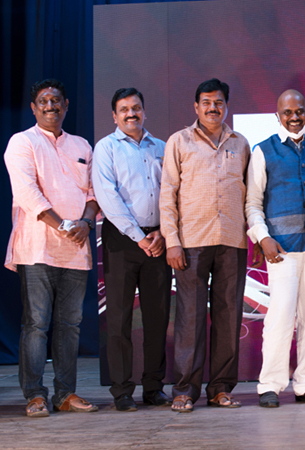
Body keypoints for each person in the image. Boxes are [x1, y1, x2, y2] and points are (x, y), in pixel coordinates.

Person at [5, 79, 99, 417]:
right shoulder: (22, 142)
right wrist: (64, 225)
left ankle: (65, 393)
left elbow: (94, 193)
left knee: (70, 325)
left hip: (75, 249)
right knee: (36, 324)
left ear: (66, 105)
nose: (50, 106)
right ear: (33, 108)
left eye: (56, 100)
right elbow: (27, 192)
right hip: (37, 248)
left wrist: (85, 223)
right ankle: (35, 395)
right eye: (43, 101)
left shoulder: (81, 145)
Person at [160, 78, 250, 412]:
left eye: (219, 103)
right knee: (190, 318)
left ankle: (221, 388)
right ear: (196, 106)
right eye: (207, 103)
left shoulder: (240, 143)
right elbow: (167, 194)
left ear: (226, 106)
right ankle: (184, 390)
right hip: (191, 242)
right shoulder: (179, 141)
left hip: (232, 241)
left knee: (229, 317)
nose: (213, 108)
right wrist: (172, 241)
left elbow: (250, 194)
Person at [246, 89, 305, 408]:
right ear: (277, 116)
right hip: (281, 248)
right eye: (288, 112)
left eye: (300, 111)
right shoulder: (263, 150)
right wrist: (262, 237)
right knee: (280, 318)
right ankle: (270, 385)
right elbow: (253, 203)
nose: (294, 117)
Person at [92, 88, 172, 411]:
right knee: (119, 318)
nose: (131, 114)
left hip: (159, 240)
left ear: (144, 111)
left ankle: (154, 387)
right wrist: (138, 236)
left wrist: (163, 232)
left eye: (136, 107)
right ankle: (122, 390)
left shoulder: (162, 147)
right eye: (124, 109)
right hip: (122, 240)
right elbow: (107, 196)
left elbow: (172, 193)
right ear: (114, 116)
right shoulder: (106, 148)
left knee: (157, 318)